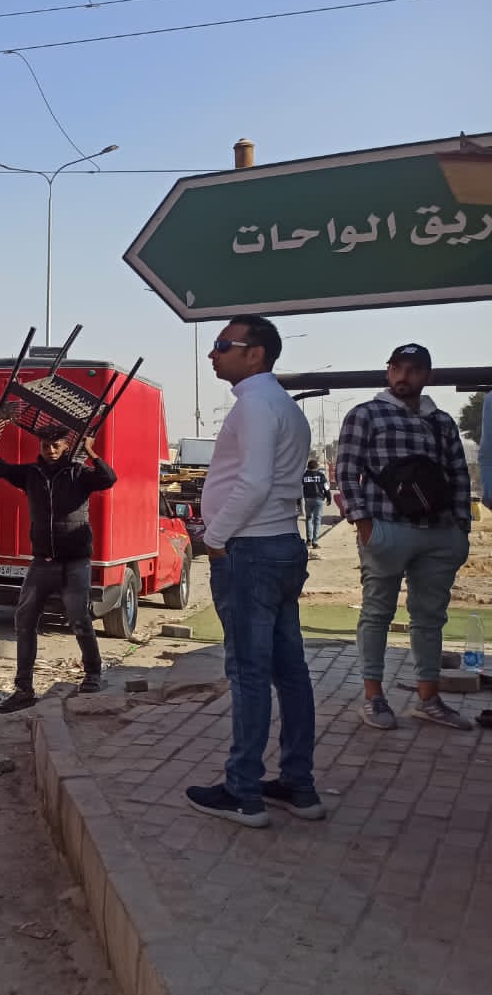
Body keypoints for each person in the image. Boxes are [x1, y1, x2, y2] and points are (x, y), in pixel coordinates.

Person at [185, 315, 321, 828]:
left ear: (255, 353)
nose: (213, 354)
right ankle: (298, 786)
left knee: (248, 673)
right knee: (290, 671)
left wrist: (215, 537)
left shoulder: (257, 405)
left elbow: (255, 482)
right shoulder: (282, 405)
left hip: (251, 550)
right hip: (280, 544)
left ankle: (243, 792)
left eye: (223, 345)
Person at [336, 343, 474, 732]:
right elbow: (346, 470)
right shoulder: (366, 414)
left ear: (427, 375)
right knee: (377, 613)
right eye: (396, 368)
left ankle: (429, 699)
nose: (403, 377)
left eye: (413, 370)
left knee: (430, 618)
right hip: (386, 529)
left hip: (439, 533)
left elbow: (458, 474)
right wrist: (364, 524)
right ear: (388, 372)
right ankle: (373, 697)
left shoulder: (441, 421)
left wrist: (461, 528)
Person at [0, 420, 117, 713]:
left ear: (66, 446)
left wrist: (91, 452)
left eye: (56, 445)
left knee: (79, 619)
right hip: (43, 562)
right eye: (46, 445)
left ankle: (94, 674)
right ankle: (24, 689)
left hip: (75, 562)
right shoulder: (31, 474)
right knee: (24, 620)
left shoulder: (78, 473)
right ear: (40, 447)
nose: (51, 450)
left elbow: (108, 479)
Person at [301, 459, 330, 548]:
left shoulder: (304, 476)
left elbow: (300, 488)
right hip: (318, 500)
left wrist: (298, 501)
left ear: (308, 467)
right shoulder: (321, 475)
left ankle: (309, 540)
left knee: (309, 519)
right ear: (317, 467)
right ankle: (315, 542)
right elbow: (326, 488)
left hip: (307, 499)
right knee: (317, 520)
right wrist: (329, 498)